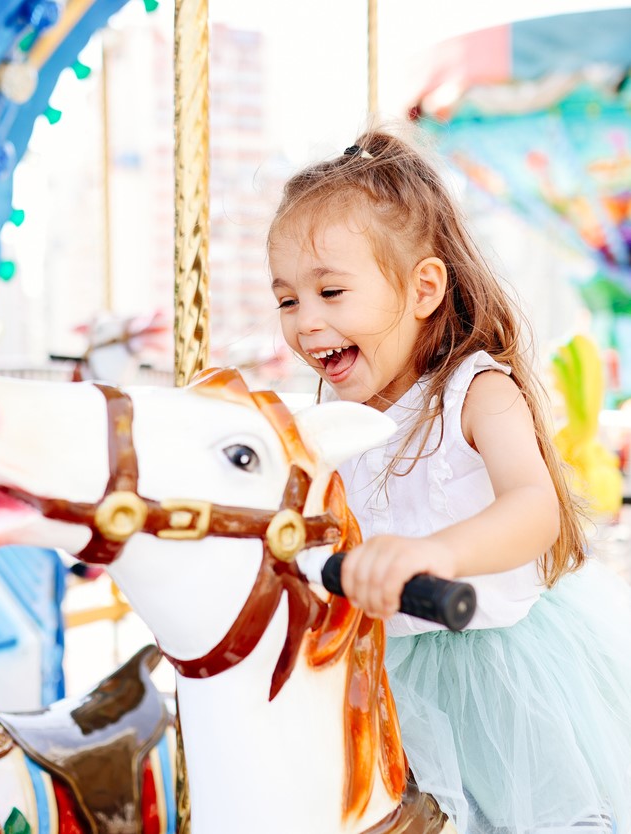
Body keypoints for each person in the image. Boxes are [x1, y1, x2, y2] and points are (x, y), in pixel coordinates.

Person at [268, 126, 631, 833]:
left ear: (423, 287)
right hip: (383, 678)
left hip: (501, 677)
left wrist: (436, 553)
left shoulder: (474, 390)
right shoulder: (337, 421)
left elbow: (533, 508)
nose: (307, 324)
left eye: (330, 292)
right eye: (287, 301)